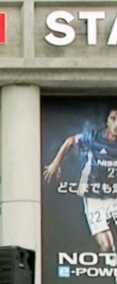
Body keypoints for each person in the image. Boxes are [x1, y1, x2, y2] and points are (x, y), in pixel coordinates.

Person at [43, 105, 117, 255]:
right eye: (113, 119)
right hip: (93, 194)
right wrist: (55, 163)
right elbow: (70, 141)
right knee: (106, 245)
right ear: (107, 122)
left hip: (114, 193)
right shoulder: (93, 138)